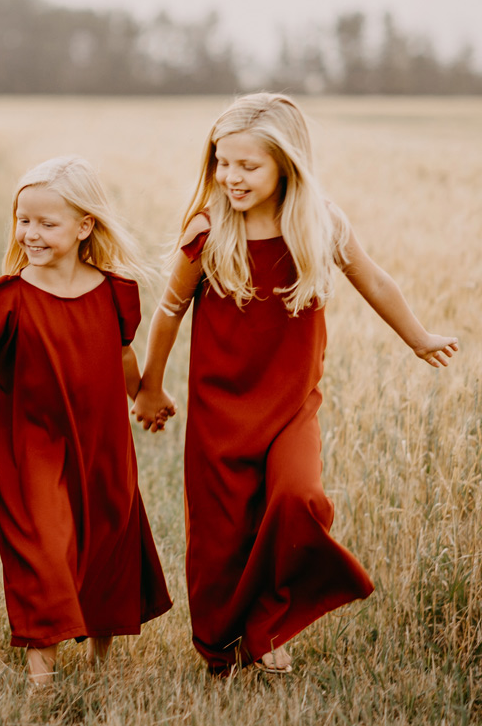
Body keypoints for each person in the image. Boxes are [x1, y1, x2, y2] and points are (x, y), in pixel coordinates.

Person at [134, 92, 459, 675]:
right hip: (219, 407)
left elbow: (376, 282)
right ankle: (223, 647)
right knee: (222, 535)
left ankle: (270, 625)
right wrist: (151, 387)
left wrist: (418, 337)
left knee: (299, 499)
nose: (230, 176)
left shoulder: (319, 223)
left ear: (287, 163)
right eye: (221, 162)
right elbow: (168, 310)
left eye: (247, 165)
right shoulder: (207, 229)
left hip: (290, 405)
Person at [0, 155, 172, 683]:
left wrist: (144, 396)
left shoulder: (115, 292)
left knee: (106, 546)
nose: (31, 233)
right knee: (44, 552)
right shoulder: (6, 298)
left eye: (47, 223)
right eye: (24, 220)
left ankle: (100, 662)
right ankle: (40, 678)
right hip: (32, 450)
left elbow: (121, 358)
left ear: (84, 226)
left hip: (104, 446)